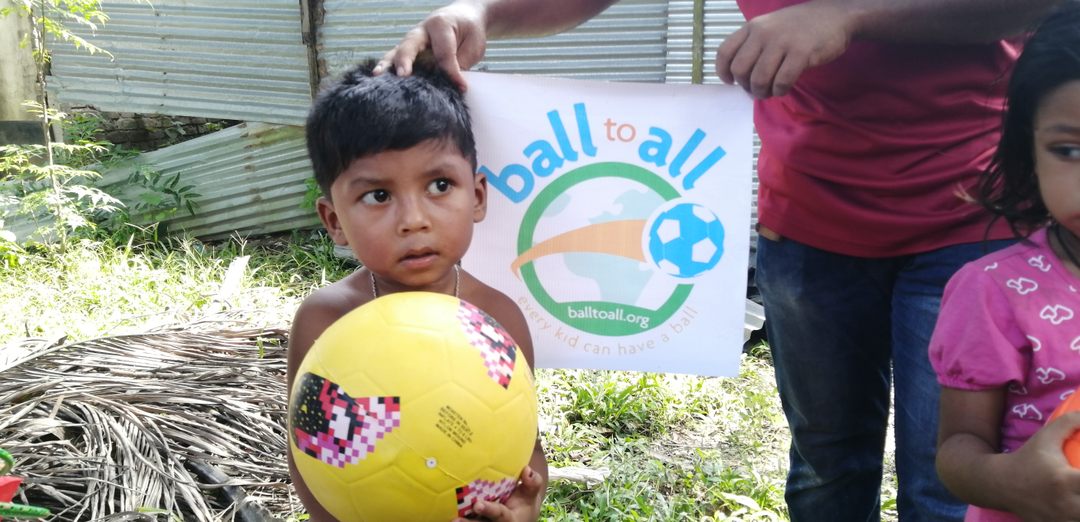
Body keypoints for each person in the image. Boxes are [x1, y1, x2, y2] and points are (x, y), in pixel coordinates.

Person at [377, 1, 1066, 521]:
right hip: (811, 219)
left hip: (971, 215)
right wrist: (482, 11)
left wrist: (848, 14)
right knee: (826, 462)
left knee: (945, 483)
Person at [286, 55, 548, 522]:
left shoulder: (497, 321)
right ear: (334, 220)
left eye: (440, 185)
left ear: (477, 196)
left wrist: (524, 508)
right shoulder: (325, 321)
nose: (414, 220)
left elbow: (524, 447)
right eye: (378, 195)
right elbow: (312, 458)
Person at [932, 3, 1080, 520]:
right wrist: (1012, 481)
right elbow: (958, 448)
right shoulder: (993, 291)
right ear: (1028, 150)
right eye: (1070, 151)